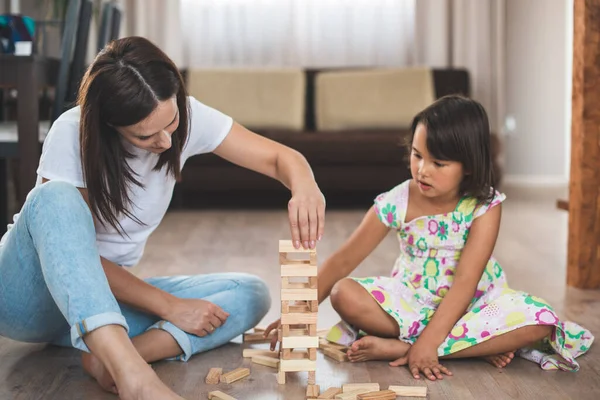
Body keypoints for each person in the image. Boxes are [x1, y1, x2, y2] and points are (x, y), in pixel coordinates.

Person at [0, 36, 326, 400]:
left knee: (249, 293)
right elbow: (73, 259)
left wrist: (305, 185)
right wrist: (170, 307)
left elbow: (278, 158)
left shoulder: (186, 116)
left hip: (101, 308)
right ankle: (135, 380)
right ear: (109, 124)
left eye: (170, 123)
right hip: (27, 297)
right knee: (54, 197)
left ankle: (116, 358)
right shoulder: (71, 132)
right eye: (145, 135)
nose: (166, 142)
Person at [265, 95, 593, 381]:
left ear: (468, 166)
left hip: (473, 304)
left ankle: (410, 348)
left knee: (540, 321)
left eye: (438, 163)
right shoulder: (397, 200)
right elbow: (344, 260)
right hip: (410, 299)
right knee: (344, 294)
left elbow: (466, 282)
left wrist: (427, 346)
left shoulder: (485, 205)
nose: (422, 170)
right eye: (417, 155)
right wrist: (297, 313)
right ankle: (471, 348)